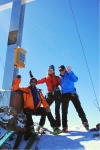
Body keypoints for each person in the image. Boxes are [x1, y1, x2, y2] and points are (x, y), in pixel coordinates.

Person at [12, 75, 61, 140]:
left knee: (47, 111)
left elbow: (43, 100)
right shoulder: (25, 89)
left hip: (36, 109)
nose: (33, 83)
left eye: (35, 82)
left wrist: (47, 107)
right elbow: (14, 88)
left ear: (36, 83)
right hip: (28, 108)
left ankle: (55, 128)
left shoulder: (39, 91)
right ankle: (31, 128)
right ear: (30, 82)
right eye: (32, 81)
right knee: (27, 112)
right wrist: (18, 80)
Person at [58, 65, 89, 132]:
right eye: (60, 70)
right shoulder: (59, 78)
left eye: (62, 70)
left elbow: (76, 79)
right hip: (64, 95)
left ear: (65, 70)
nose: (61, 71)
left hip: (72, 93)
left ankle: (85, 122)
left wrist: (71, 72)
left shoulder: (69, 74)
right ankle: (65, 126)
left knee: (78, 107)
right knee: (64, 111)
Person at [31, 65, 61, 132]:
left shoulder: (57, 77)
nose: (50, 70)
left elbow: (62, 84)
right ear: (48, 70)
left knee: (57, 110)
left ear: (53, 70)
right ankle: (41, 125)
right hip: (50, 94)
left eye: (51, 69)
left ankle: (57, 126)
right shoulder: (46, 78)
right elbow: (37, 81)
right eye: (49, 69)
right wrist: (32, 77)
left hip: (57, 93)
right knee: (45, 108)